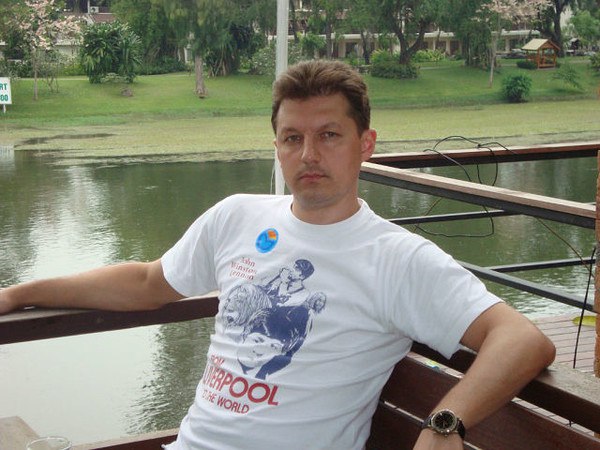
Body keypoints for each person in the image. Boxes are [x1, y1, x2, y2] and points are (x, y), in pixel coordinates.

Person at [0, 60, 555, 450]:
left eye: (329, 135)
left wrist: (445, 422)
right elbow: (148, 283)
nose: (308, 155)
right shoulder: (236, 216)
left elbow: (522, 339)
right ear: (277, 146)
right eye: (292, 138)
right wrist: (20, 293)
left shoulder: (396, 258)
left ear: (365, 144)